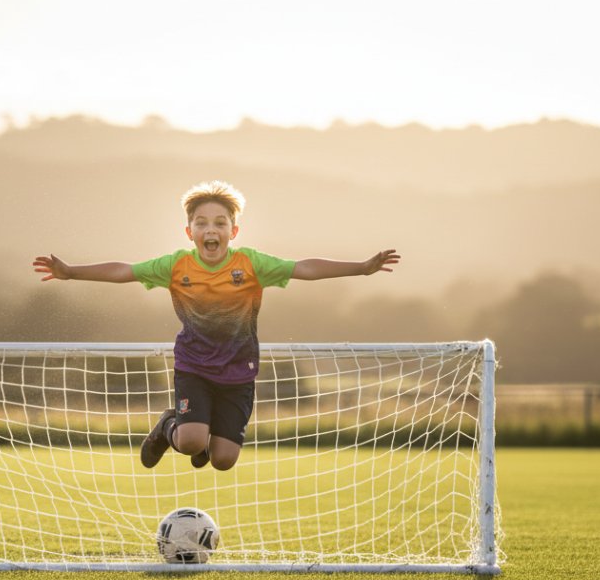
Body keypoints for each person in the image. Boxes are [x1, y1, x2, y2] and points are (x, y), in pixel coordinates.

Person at [31, 180, 401, 471]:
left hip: (239, 374)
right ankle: (168, 427)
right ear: (189, 231)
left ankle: (202, 436)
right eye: (202, 223)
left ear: (233, 231)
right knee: (191, 441)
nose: (211, 230)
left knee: (223, 460)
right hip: (194, 367)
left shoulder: (251, 263)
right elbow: (124, 271)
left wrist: (362, 267)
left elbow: (305, 267)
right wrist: (71, 273)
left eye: (220, 223)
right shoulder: (176, 266)